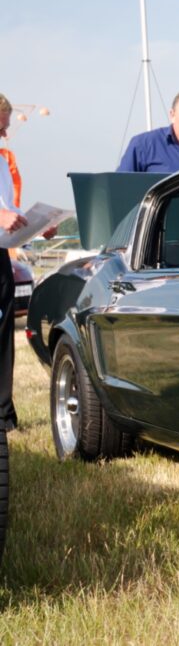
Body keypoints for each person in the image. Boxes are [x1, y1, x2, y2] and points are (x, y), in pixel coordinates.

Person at [0, 94, 28, 430]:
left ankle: (4, 415)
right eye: (1, 127)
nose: (5, 134)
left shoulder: (3, 161)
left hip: (1, 258)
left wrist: (37, 226)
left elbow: (9, 211)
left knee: (4, 336)